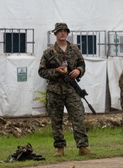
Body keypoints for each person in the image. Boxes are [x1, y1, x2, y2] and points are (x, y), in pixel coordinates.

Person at [38, 22, 92, 157]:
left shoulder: (74, 49)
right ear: (55, 33)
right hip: (55, 90)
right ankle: (60, 148)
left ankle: (82, 147)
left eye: (65, 31)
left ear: (67, 33)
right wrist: (56, 71)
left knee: (78, 117)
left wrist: (78, 71)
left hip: (71, 89)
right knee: (56, 120)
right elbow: (42, 71)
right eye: (59, 31)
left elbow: (82, 64)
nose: (62, 33)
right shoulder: (49, 52)